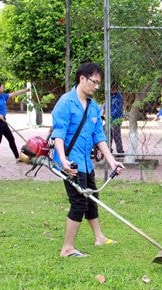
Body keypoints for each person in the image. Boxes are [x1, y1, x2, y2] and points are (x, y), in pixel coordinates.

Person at [51, 62, 124, 257]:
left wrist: (112, 161)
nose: (97, 86)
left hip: (85, 162)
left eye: (99, 83)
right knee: (79, 203)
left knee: (92, 198)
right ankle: (67, 248)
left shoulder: (93, 108)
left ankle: (99, 237)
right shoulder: (66, 102)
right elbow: (58, 133)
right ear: (82, 79)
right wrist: (64, 160)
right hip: (71, 164)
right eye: (95, 82)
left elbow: (99, 137)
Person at [0, 81, 30, 167]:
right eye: (2, 86)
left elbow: (14, 93)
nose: (3, 88)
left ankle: (17, 158)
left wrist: (25, 90)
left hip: (3, 121)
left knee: (11, 139)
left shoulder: (2, 96)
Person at [102, 82, 125, 155]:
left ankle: (120, 151)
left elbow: (118, 110)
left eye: (113, 87)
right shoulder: (109, 96)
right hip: (108, 119)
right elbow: (105, 105)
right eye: (111, 87)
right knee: (108, 135)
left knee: (116, 135)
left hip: (116, 119)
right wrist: (103, 112)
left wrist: (109, 115)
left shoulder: (119, 97)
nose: (112, 89)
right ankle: (108, 150)